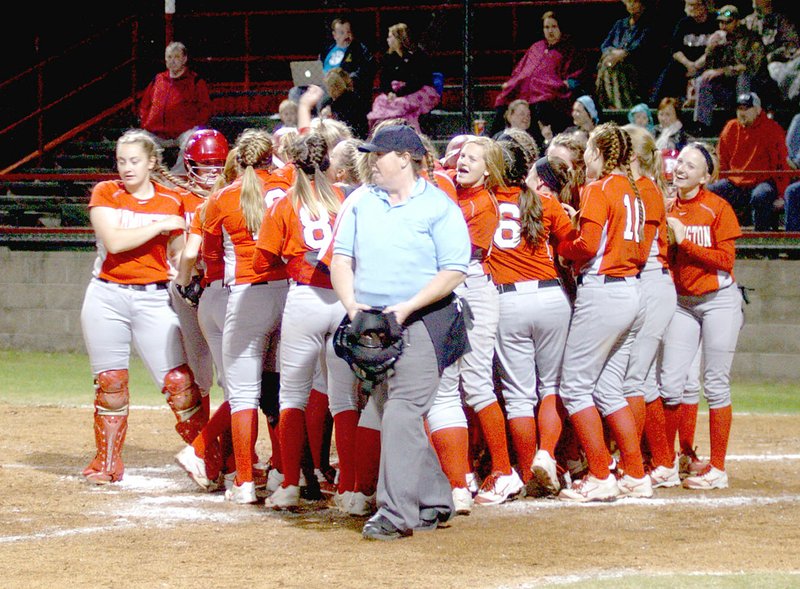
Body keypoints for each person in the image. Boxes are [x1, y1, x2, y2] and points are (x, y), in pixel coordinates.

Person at [330, 124, 471, 540]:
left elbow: (454, 270)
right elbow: (341, 260)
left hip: (426, 319)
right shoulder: (360, 200)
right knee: (395, 410)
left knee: (401, 410)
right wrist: (352, 306)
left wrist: (407, 307)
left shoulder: (439, 207)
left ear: (405, 159)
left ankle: (396, 513)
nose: (372, 162)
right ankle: (434, 498)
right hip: (372, 323)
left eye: (380, 155)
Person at [80, 129, 207, 484]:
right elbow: (115, 242)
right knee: (111, 381)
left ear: (151, 161)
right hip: (107, 295)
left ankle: (210, 457)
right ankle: (107, 462)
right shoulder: (107, 192)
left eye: (134, 160)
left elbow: (179, 254)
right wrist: (160, 225)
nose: (126, 168)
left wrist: (197, 259)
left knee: (179, 384)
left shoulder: (171, 200)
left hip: (153, 296)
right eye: (121, 161)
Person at [556, 122, 651, 502]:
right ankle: (636, 474)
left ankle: (600, 473)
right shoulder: (633, 189)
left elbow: (585, 246)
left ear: (597, 153)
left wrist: (564, 236)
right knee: (610, 388)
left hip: (604, 290)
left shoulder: (598, 188)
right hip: (632, 289)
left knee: (575, 387)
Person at [427, 136, 523, 511]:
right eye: (462, 156)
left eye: (474, 159)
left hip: (474, 288)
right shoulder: (458, 192)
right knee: (449, 384)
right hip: (457, 288)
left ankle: (503, 470)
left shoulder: (482, 203)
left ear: (489, 169)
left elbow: (454, 248)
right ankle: (461, 470)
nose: (464, 162)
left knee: (479, 384)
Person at [202, 128, 291, 504]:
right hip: (290, 292)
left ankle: (243, 480)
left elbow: (211, 260)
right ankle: (286, 473)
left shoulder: (222, 197)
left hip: (249, 294)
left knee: (242, 395)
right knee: (286, 390)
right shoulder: (289, 183)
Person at [489, 144, 577, 498]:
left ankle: (528, 471)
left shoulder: (485, 201)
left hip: (508, 300)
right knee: (551, 387)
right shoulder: (547, 203)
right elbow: (572, 248)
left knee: (518, 396)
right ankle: (546, 454)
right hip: (551, 297)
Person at [660, 141, 743, 490]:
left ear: (706, 176)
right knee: (670, 382)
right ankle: (667, 461)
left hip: (719, 300)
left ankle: (718, 469)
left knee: (715, 383)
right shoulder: (666, 205)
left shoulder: (717, 207)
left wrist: (684, 241)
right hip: (682, 302)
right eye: (680, 161)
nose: (682, 168)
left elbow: (726, 261)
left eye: (692, 165)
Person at [620, 124, 679, 488]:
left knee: (633, 378)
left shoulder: (644, 189)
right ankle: (662, 461)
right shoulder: (638, 188)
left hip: (650, 280)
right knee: (644, 380)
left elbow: (640, 249)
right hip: (646, 281)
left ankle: (633, 467)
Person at [489, 10, 586, 138]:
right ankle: (491, 138)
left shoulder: (569, 50)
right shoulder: (536, 47)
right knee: (504, 99)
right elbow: (520, 70)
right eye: (546, 27)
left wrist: (568, 83)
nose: (550, 31)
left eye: (553, 27)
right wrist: (512, 81)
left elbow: (576, 75)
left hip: (549, 91)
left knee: (541, 101)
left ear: (560, 28)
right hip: (523, 90)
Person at [707, 91, 790, 230]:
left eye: (747, 108)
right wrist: (719, 178)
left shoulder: (772, 129)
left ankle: (762, 242)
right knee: (710, 191)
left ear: (758, 110)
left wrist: (782, 194)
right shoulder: (731, 127)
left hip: (763, 180)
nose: (742, 113)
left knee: (760, 195)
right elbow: (722, 160)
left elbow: (780, 164)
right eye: (739, 109)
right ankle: (718, 237)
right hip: (736, 182)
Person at [139, 42, 212, 174]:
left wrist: (193, 125)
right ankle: (153, 176)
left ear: (184, 59)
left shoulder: (195, 81)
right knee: (138, 140)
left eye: (176, 57)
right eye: (169, 57)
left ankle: (176, 179)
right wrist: (145, 122)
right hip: (156, 133)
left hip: (182, 133)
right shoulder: (158, 79)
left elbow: (205, 107)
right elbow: (145, 104)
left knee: (192, 140)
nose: (172, 61)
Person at [693, 5, 769, 130]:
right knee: (704, 79)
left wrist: (721, 71)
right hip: (729, 90)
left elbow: (749, 68)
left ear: (737, 22)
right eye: (721, 22)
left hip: (753, 88)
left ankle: (745, 119)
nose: (723, 26)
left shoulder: (751, 39)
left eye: (728, 22)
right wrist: (710, 49)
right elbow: (710, 68)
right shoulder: (720, 40)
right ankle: (702, 125)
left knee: (743, 78)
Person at [366, 23, 440, 133]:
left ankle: (408, 132)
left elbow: (416, 81)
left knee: (402, 104)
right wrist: (389, 92)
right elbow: (384, 80)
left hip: (417, 90)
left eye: (390, 37)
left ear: (399, 38)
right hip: (394, 92)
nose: (387, 40)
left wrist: (398, 93)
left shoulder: (418, 56)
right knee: (380, 101)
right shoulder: (389, 58)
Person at [596, 0, 663, 109]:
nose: (631, 5)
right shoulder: (619, 24)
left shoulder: (650, 24)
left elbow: (641, 48)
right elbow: (605, 45)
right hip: (612, 62)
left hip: (637, 67)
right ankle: (612, 104)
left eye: (635, 2)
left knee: (613, 66)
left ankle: (619, 106)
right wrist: (613, 53)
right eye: (628, 2)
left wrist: (624, 53)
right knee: (608, 64)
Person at [651, 0, 718, 103]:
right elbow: (675, 49)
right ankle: (656, 103)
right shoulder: (683, 23)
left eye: (695, 5)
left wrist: (696, 65)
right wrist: (688, 64)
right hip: (687, 63)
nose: (691, 8)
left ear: (704, 6)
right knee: (671, 69)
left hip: (708, 61)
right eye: (689, 5)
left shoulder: (714, 22)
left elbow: (716, 49)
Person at [321, 67, 369, 139]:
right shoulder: (327, 102)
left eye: (333, 87)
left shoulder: (353, 99)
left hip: (353, 136)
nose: (330, 91)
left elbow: (355, 124)